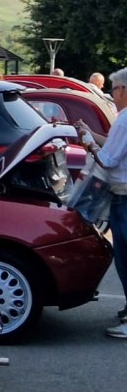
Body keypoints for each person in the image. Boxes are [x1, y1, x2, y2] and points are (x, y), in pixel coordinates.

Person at [76, 67, 127, 338]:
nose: (112, 94)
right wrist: (93, 135)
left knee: (125, 258)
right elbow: (114, 145)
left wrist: (88, 143)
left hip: (124, 196)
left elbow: (108, 160)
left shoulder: (124, 119)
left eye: (114, 89)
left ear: (123, 90)